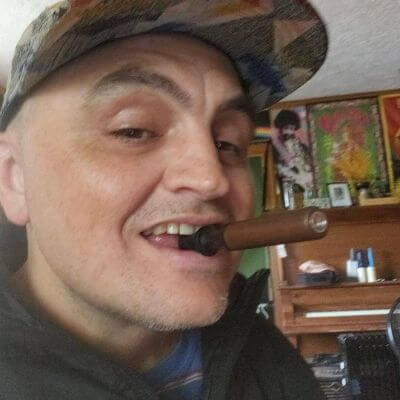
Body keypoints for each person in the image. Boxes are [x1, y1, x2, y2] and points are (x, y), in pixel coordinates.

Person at [0, 1, 328, 399]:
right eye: (134, 130)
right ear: (15, 177)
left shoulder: (266, 356)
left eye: (228, 143)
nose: (211, 178)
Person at [272, 109, 314, 192]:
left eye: (292, 128)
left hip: (304, 173)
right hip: (291, 178)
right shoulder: (277, 144)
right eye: (286, 128)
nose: (289, 131)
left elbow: (307, 157)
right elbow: (284, 165)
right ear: (281, 128)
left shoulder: (299, 142)